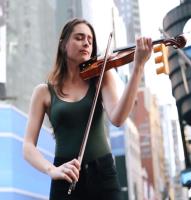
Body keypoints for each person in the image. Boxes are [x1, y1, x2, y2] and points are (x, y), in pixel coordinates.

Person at [23, 18, 152, 200]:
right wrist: (52, 170)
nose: (86, 43)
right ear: (63, 45)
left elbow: (118, 118)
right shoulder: (43, 92)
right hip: (66, 175)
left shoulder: (102, 76)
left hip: (103, 174)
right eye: (79, 38)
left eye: (90, 40)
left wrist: (138, 67)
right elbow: (28, 146)